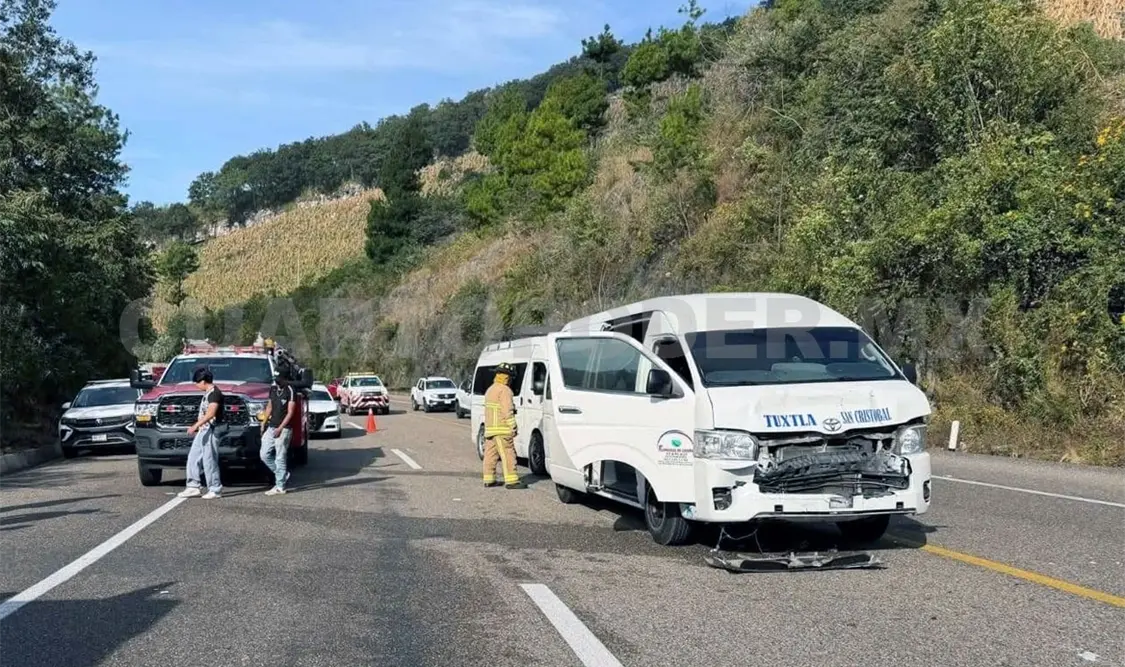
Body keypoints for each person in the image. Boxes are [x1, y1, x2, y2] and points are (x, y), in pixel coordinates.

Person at [179, 366, 223, 499]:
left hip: (212, 429)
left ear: (203, 381)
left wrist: (195, 426)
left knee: (209, 460)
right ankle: (193, 486)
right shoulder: (208, 393)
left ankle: (215, 489)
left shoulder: (215, 393)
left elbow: (211, 413)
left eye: (197, 383)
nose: (196, 386)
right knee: (193, 457)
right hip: (204, 430)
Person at [482, 362, 527, 489]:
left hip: (490, 429)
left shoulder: (490, 389)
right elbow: (507, 410)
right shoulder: (505, 390)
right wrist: (513, 426)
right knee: (508, 453)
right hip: (502, 429)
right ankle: (511, 480)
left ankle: (489, 479)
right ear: (507, 377)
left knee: (490, 455)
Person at [259, 371, 296, 495]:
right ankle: (282, 474)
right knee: (264, 454)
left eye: (279, 378)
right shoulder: (273, 389)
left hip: (284, 429)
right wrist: (264, 421)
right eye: (275, 378)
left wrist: (280, 428)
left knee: (280, 457)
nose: (276, 380)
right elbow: (269, 407)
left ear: (285, 378)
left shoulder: (290, 390)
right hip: (271, 426)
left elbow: (290, 412)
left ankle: (280, 486)